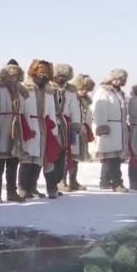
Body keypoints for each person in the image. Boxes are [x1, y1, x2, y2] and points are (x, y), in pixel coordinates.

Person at [0, 59, 28, 203]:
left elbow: (24, 110)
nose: (13, 78)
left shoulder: (21, 90)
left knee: (13, 164)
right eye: (10, 75)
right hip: (2, 129)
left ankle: (11, 192)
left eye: (16, 75)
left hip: (16, 131)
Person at [17, 59, 59, 199]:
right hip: (29, 124)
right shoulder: (25, 89)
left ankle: (32, 187)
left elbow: (51, 113)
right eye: (40, 73)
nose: (43, 76)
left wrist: (54, 132)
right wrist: (23, 128)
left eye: (46, 74)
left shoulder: (48, 92)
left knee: (38, 159)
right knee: (26, 159)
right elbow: (20, 109)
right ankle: (22, 187)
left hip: (43, 126)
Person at [93, 69, 130, 193]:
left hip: (118, 128)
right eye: (115, 79)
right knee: (112, 158)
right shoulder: (103, 92)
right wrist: (102, 126)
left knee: (111, 157)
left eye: (120, 79)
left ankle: (105, 181)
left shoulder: (118, 93)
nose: (117, 82)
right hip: (109, 127)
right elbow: (99, 109)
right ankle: (117, 183)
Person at [50, 63, 82, 197]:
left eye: (64, 76)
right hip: (50, 123)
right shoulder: (47, 88)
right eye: (58, 75)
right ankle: (50, 185)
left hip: (64, 124)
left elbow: (74, 109)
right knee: (50, 155)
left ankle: (59, 181)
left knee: (63, 154)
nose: (61, 78)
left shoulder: (70, 91)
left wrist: (75, 126)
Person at [68, 73, 97, 190]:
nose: (84, 91)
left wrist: (87, 128)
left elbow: (88, 116)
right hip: (71, 129)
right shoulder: (72, 98)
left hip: (81, 131)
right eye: (82, 88)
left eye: (86, 89)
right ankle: (62, 181)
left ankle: (73, 180)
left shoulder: (86, 102)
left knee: (75, 159)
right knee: (68, 157)